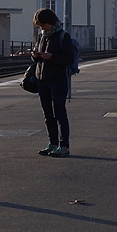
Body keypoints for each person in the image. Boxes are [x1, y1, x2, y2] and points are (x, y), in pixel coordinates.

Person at [31, 8, 73, 157]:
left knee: (59, 113)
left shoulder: (63, 36)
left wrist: (52, 57)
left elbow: (69, 59)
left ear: (50, 22)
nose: (41, 28)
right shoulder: (42, 36)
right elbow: (38, 54)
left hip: (57, 80)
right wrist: (35, 55)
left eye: (43, 25)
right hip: (42, 79)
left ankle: (64, 145)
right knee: (48, 113)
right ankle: (53, 143)